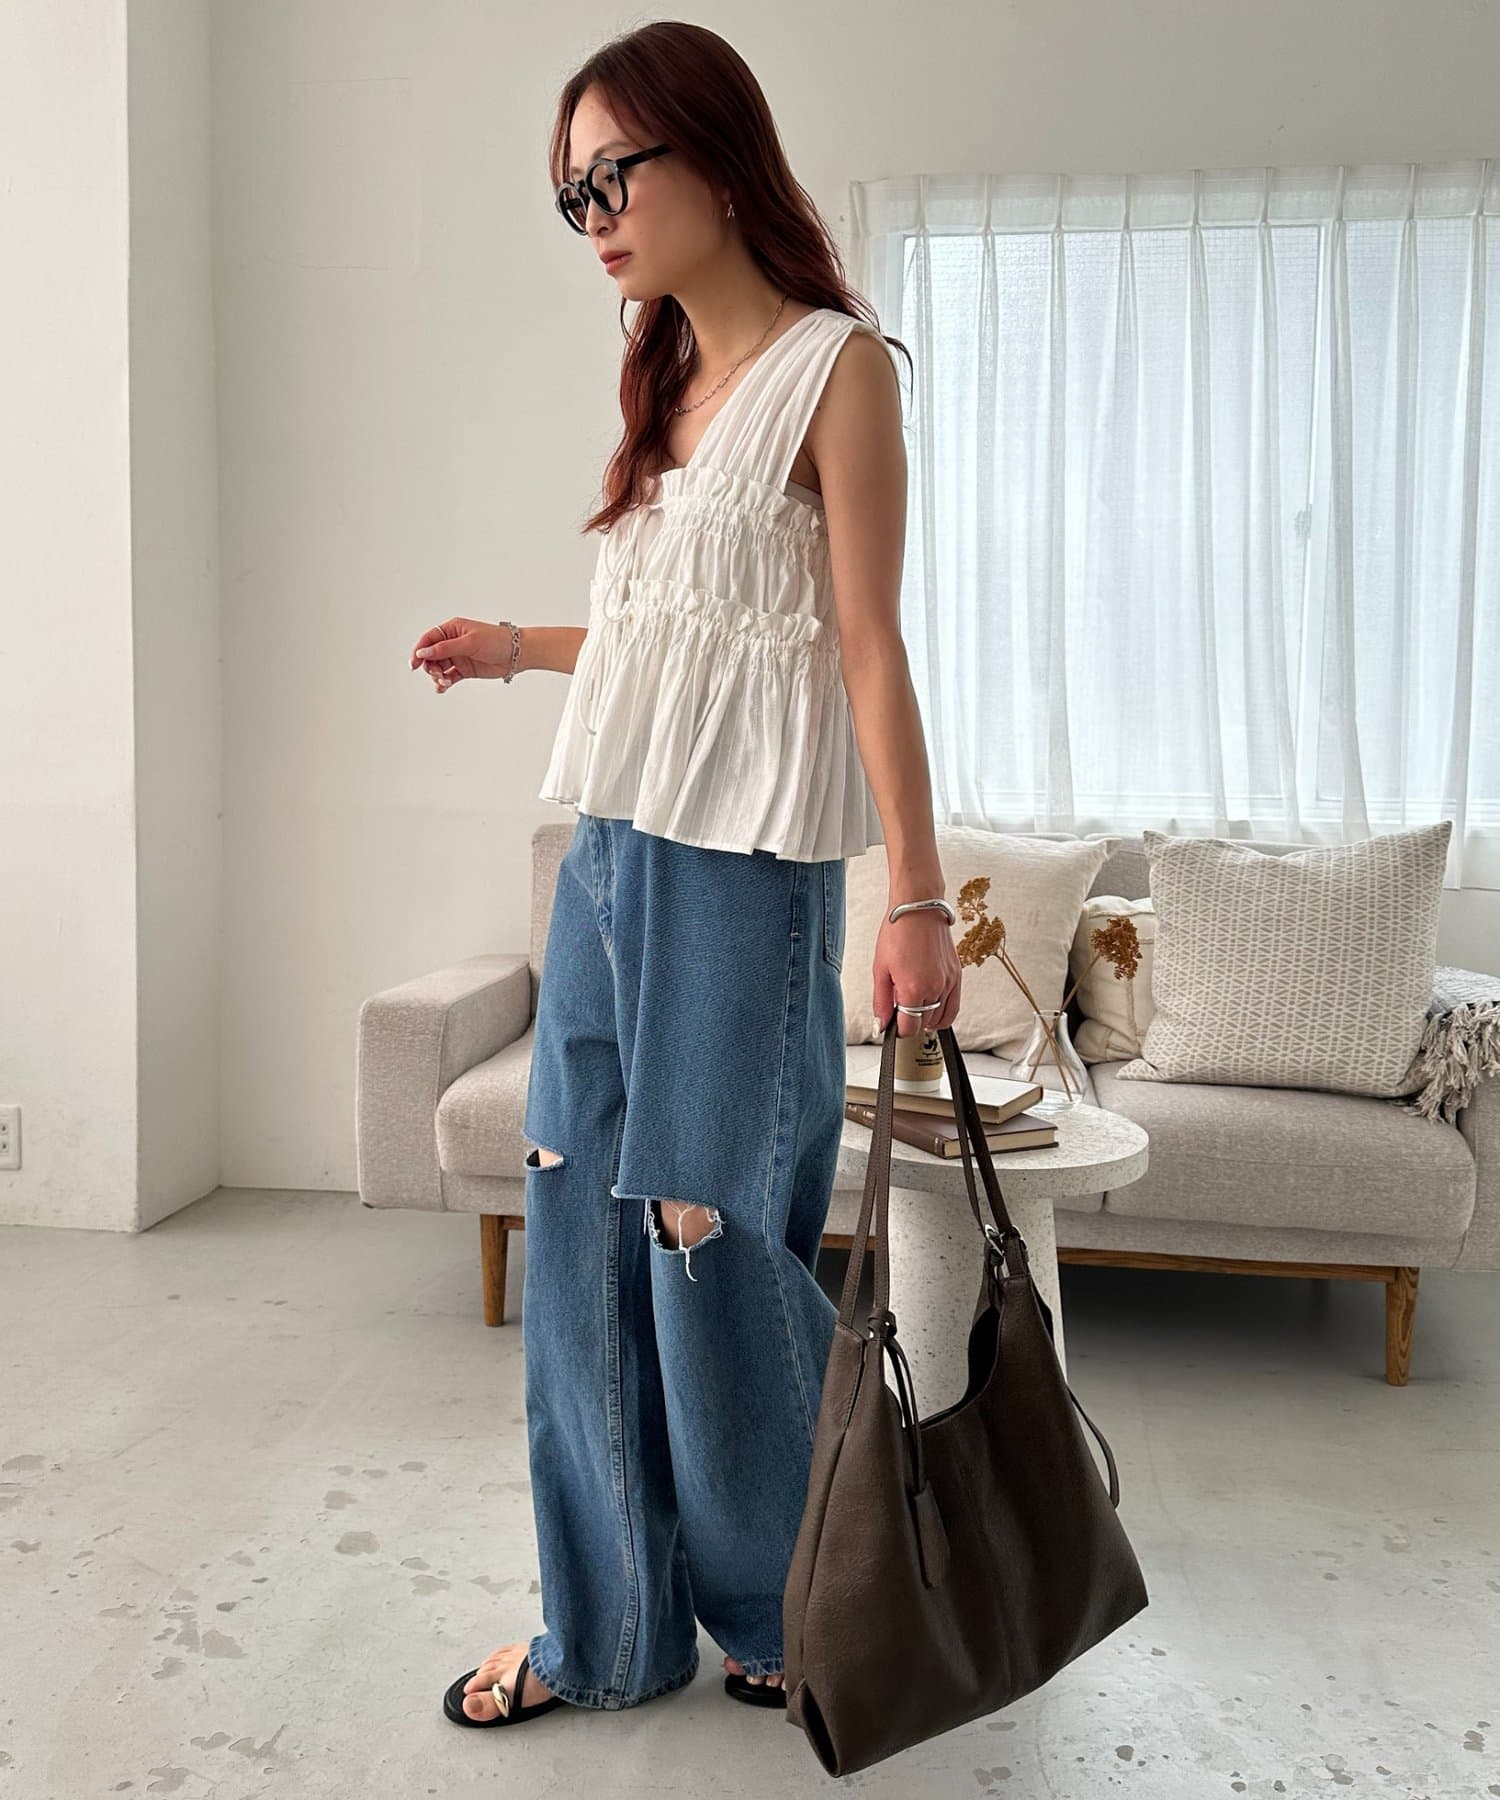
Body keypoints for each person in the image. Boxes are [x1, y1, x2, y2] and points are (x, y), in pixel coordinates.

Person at [411, 20, 963, 1730]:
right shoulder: (656, 380)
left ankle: (809, 1595)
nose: (592, 217)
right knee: (577, 1203)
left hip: (745, 872)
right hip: (611, 848)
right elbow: (676, 643)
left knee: (705, 1229)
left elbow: (861, 647)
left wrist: (918, 897)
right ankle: (609, 1628)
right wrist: (520, 644)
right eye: (569, 193)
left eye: (612, 177)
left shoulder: (837, 371)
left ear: (714, 156)